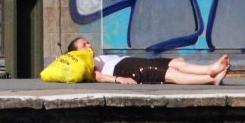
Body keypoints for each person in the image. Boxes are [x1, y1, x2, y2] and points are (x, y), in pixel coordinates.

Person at [67, 37, 230, 85]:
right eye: (84, 44)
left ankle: (210, 68)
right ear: (76, 51)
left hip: (130, 61)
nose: (89, 45)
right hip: (124, 69)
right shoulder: (83, 62)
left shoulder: (95, 57)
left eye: (88, 42)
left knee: (176, 62)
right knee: (170, 74)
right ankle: (210, 78)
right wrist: (119, 79)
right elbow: (98, 76)